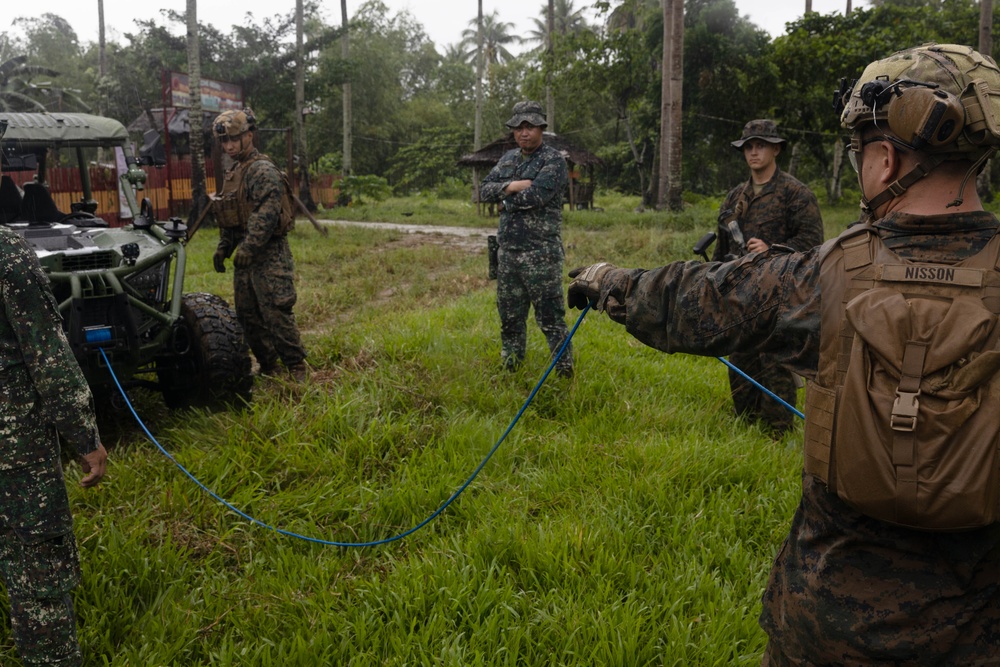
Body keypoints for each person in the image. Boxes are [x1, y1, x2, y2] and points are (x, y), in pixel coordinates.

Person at [567, 43, 1000, 665]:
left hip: (826, 630)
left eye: (859, 153)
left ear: (884, 158)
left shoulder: (826, 276)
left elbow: (702, 299)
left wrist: (613, 282)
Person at [0, 117, 108, 665]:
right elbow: (49, 360)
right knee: (37, 567)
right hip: (14, 447)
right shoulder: (8, 255)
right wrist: (85, 438)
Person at [713, 119, 824, 437]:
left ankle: (778, 430)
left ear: (776, 148)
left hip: (780, 294)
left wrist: (773, 250)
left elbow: (814, 247)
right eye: (748, 146)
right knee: (742, 358)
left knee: (775, 360)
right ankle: (745, 425)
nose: (754, 152)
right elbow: (722, 249)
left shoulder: (796, 194)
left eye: (760, 145)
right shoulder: (735, 198)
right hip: (741, 295)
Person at [211, 108, 308, 381]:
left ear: (249, 136)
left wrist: (249, 247)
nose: (229, 146)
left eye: (233, 139)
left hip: (269, 253)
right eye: (224, 142)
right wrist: (224, 247)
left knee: (276, 311)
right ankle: (269, 367)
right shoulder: (234, 173)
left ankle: (297, 368)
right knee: (248, 316)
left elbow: (266, 213)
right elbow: (230, 215)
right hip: (245, 256)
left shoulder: (261, 169)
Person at [479, 100, 573, 378]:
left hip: (540, 255)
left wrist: (503, 201)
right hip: (508, 254)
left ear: (541, 128)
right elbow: (484, 190)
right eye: (519, 127)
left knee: (551, 320)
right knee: (509, 318)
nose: (524, 132)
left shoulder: (553, 160)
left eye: (530, 126)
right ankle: (511, 367)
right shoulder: (507, 159)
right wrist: (512, 186)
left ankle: (564, 372)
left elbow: (538, 196)